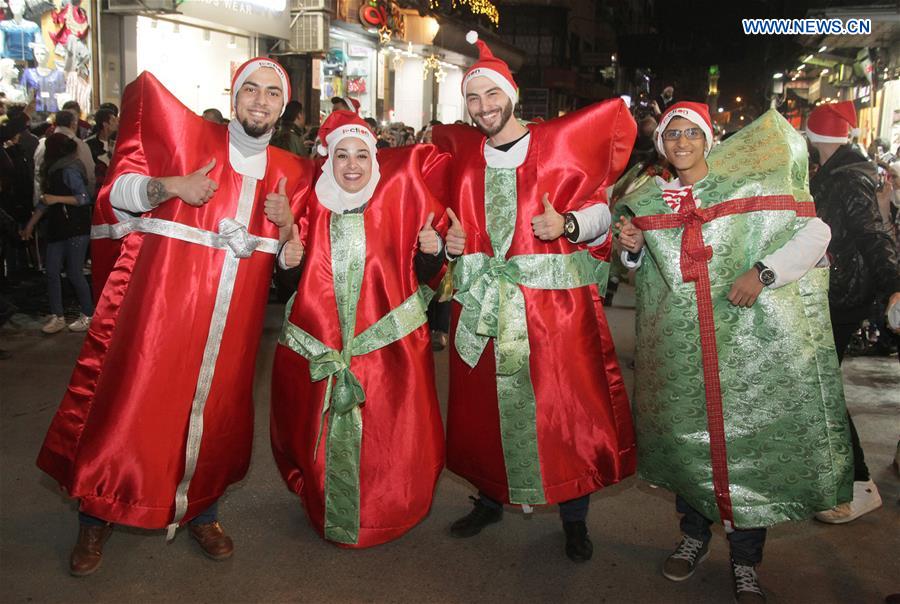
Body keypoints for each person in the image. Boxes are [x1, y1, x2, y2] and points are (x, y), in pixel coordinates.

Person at [36, 58, 314, 576]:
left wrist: (287, 233)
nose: (259, 100)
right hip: (161, 314)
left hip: (234, 327)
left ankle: (201, 511)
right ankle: (96, 514)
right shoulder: (190, 138)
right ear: (233, 95)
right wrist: (172, 188)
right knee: (131, 405)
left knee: (214, 416)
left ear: (284, 104)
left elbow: (291, 264)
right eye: (250, 89)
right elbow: (114, 194)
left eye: (271, 93)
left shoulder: (293, 171)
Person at [614, 102, 851, 603]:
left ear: (708, 139)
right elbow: (642, 267)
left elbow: (815, 231)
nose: (681, 142)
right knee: (689, 446)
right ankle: (693, 538)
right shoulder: (650, 197)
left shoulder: (751, 186)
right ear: (661, 144)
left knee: (745, 458)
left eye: (691, 133)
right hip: (681, 355)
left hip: (747, 351)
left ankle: (745, 563)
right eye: (671, 134)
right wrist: (633, 244)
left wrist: (763, 272)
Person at [432, 31, 637, 563]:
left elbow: (602, 215)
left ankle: (574, 517)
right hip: (483, 307)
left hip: (552, 311)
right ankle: (490, 498)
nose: (483, 108)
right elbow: (444, 223)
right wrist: (450, 243)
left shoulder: (558, 146)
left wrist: (566, 221)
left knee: (564, 413)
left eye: (492, 95)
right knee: (484, 409)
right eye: (473, 99)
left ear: (512, 95)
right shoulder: (465, 158)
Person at [270, 110, 465, 547]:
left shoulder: (397, 203)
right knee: (319, 438)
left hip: (386, 352)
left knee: (388, 437)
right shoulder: (310, 205)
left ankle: (383, 511)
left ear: (375, 159)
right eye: (342, 155)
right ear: (328, 159)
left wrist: (432, 254)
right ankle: (328, 506)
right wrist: (288, 258)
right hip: (321, 349)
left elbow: (422, 277)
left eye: (361, 154)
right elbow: (288, 284)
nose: (352, 164)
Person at [804, 101, 900, 524]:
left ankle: (861, 485)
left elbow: (872, 234)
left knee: (824, 387)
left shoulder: (845, 180)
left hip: (841, 298)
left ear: (815, 134)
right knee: (817, 386)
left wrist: (895, 284)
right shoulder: (839, 173)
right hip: (836, 292)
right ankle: (837, 476)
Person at [21, 133, 94, 333]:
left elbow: (84, 198)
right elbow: (44, 202)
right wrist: (30, 225)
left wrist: (56, 199)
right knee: (52, 272)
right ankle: (58, 315)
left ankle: (88, 314)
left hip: (75, 228)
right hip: (59, 228)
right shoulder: (55, 170)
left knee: (74, 273)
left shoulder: (68, 169)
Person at [33, 110, 95, 209]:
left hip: (45, 202)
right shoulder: (80, 145)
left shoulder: (43, 143)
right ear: (73, 124)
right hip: (70, 210)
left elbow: (37, 173)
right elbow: (90, 176)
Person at [84, 107, 118, 185]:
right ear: (105, 125)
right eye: (113, 120)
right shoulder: (89, 145)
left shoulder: (120, 141)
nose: (117, 123)